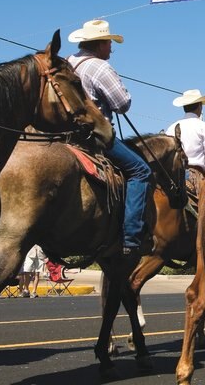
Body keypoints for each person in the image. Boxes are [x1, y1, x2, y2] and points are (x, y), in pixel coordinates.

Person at [67, 20, 153, 256]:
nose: (111, 49)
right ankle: (131, 237)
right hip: (93, 138)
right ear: (100, 44)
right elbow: (122, 104)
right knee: (141, 171)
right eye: (109, 43)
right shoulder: (99, 68)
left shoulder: (67, 63)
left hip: (63, 136)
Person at [166, 89, 205, 195]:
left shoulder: (171, 127)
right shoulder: (204, 127)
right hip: (197, 176)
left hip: (173, 176)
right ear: (200, 106)